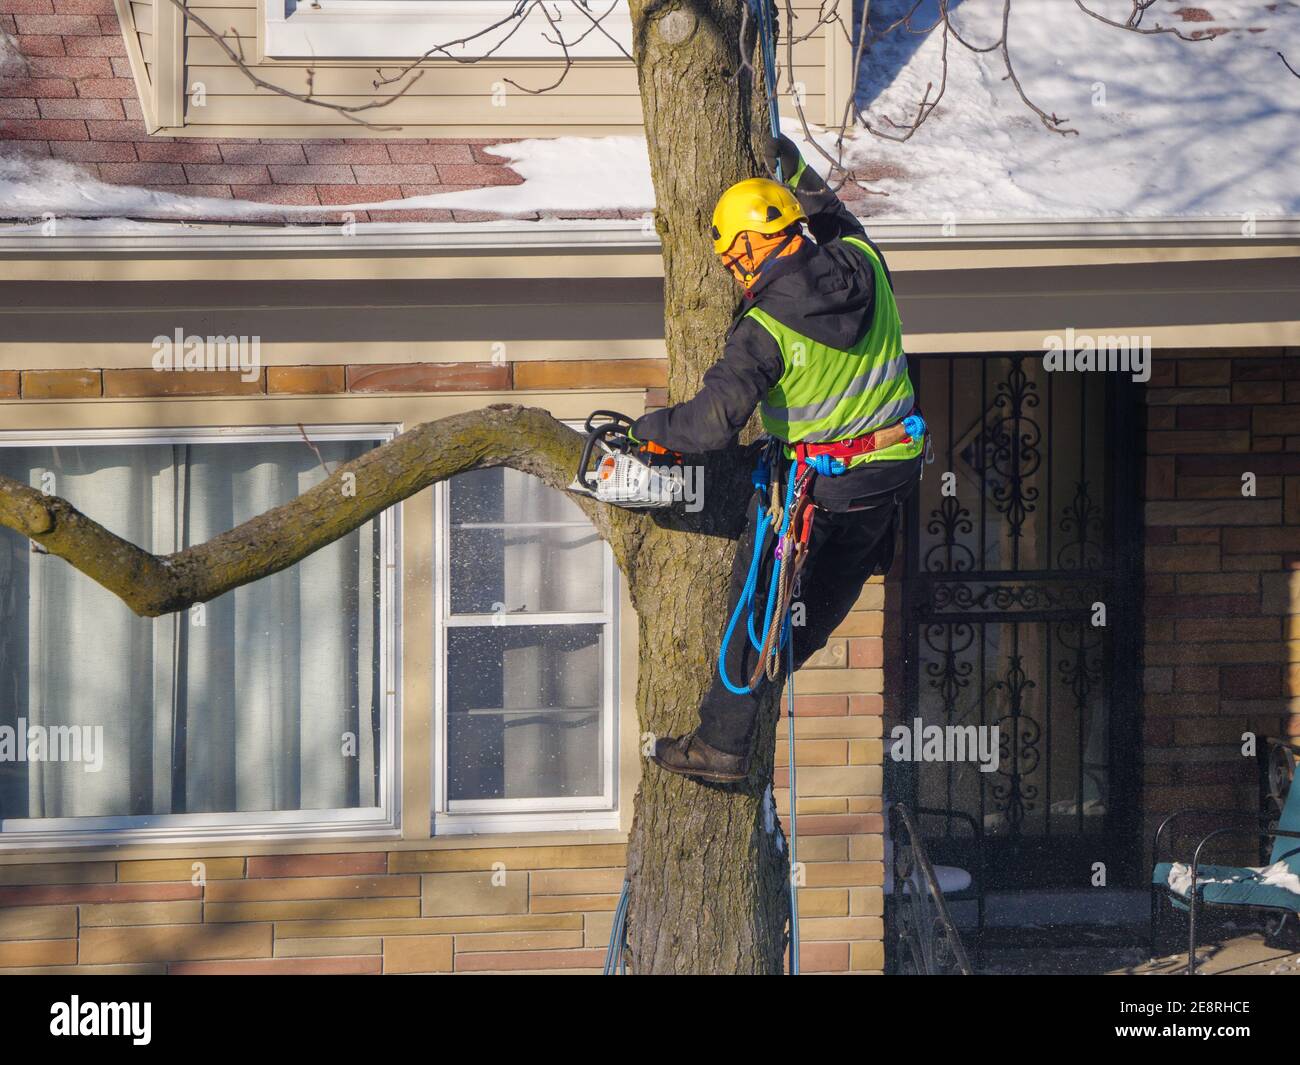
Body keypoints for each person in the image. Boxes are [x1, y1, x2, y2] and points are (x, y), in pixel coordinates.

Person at [632, 134, 926, 783]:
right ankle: (780, 666)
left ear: (745, 249)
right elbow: (836, 215)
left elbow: (711, 424)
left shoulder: (762, 329)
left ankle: (722, 745)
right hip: (889, 477)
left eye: (731, 258)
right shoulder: (864, 263)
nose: (732, 272)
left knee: (757, 605)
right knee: (819, 605)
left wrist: (650, 428)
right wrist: (791, 163)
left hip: (818, 493)